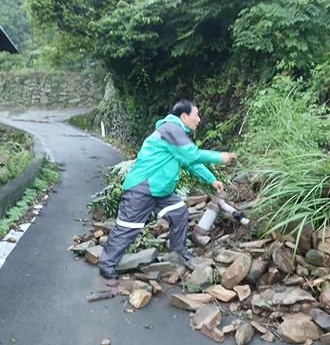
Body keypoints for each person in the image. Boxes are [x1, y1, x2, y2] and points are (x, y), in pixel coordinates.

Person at [99, 99, 236, 279]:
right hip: (142, 188)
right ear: (184, 116)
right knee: (128, 227)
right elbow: (192, 154)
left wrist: (211, 179)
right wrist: (220, 157)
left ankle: (178, 250)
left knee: (179, 212)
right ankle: (106, 265)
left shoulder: (176, 133)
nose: (199, 119)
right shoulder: (171, 129)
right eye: (196, 115)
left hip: (160, 192)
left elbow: (189, 162)